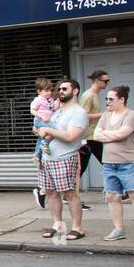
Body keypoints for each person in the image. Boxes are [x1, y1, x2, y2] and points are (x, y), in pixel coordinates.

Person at [94, 85, 134, 243]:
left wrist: (106, 134)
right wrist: (109, 135)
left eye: (111, 99)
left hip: (131, 163)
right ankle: (118, 229)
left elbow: (122, 134)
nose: (108, 102)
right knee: (112, 197)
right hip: (109, 163)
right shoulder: (106, 115)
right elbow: (96, 135)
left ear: (122, 99)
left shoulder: (131, 115)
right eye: (107, 99)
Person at [35, 77, 89, 242]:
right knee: (50, 193)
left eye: (65, 89)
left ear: (75, 91)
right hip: (47, 158)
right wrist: (42, 130)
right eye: (59, 89)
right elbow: (38, 130)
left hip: (65, 158)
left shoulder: (79, 113)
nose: (60, 92)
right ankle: (57, 224)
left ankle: (77, 228)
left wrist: (47, 130)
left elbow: (70, 136)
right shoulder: (57, 112)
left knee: (69, 193)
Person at [30, 78, 57, 208]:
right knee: (48, 134)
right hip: (42, 121)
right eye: (46, 91)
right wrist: (41, 117)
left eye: (50, 90)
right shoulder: (38, 100)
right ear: (39, 91)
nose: (49, 93)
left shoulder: (51, 100)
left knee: (42, 138)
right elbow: (33, 111)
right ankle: (42, 190)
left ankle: (37, 154)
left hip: (48, 122)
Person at [79, 69, 109, 181]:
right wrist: (103, 114)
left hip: (94, 135)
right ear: (96, 80)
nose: (107, 83)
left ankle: (119, 191)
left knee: (106, 162)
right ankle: (67, 194)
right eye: (105, 81)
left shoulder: (95, 94)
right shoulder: (89, 95)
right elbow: (83, 115)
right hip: (89, 137)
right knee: (106, 162)